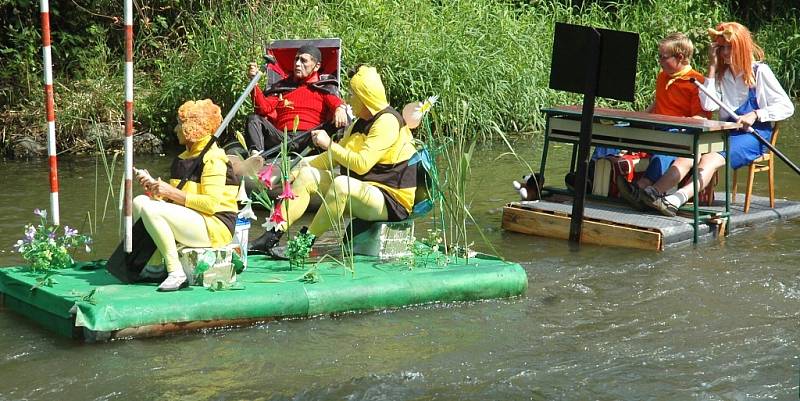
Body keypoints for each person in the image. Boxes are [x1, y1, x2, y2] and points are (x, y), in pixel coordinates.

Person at [249, 65, 417, 254]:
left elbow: (361, 165)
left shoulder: (387, 122)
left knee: (341, 185)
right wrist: (294, 172)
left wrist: (329, 143)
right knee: (307, 176)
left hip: (390, 199)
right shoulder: (359, 124)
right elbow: (332, 158)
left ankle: (304, 244)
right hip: (362, 190)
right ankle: (271, 235)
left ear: (365, 98)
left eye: (353, 94)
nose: (348, 99)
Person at [637, 22, 794, 216]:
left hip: (753, 136)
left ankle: (674, 200)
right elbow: (709, 106)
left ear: (742, 47)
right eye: (722, 48)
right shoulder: (720, 75)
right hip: (726, 132)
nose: (726, 53)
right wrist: (711, 68)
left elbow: (787, 107)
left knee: (710, 157)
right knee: (690, 150)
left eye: (730, 48)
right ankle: (652, 193)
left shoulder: (760, 72)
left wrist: (756, 114)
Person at [133, 99, 241, 291]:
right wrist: (156, 191)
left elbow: (211, 205)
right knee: (140, 202)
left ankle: (176, 272)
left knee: (151, 208)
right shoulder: (182, 159)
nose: (175, 129)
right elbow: (175, 203)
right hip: (194, 219)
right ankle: (156, 265)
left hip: (215, 226)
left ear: (190, 128)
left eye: (179, 124)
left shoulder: (214, 159)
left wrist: (169, 191)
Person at [615, 32, 711, 210]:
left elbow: (701, 118)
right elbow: (658, 102)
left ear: (680, 57)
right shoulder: (663, 77)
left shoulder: (696, 82)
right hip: (655, 126)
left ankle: (642, 188)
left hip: (675, 130)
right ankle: (588, 178)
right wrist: (640, 117)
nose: (659, 60)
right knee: (614, 130)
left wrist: (678, 123)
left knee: (667, 145)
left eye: (663, 57)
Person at [245, 45, 348, 155]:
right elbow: (263, 108)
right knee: (253, 118)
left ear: (317, 66)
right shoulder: (282, 87)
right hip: (282, 139)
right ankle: (256, 157)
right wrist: (254, 84)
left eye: (303, 61)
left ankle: (341, 155)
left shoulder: (322, 87)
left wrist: (340, 108)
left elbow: (336, 103)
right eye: (296, 59)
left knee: (342, 118)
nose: (297, 64)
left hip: (311, 139)